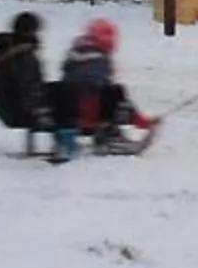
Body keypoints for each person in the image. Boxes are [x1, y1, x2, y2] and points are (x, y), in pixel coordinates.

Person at [49, 16, 155, 162]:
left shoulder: (73, 55)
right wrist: (141, 121)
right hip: (90, 114)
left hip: (66, 113)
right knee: (115, 92)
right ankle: (109, 134)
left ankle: (65, 140)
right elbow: (102, 91)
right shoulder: (100, 60)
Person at [0, 10, 53, 155]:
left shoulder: (4, 50)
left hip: (1, 105)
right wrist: (41, 113)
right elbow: (29, 87)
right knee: (62, 94)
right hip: (16, 110)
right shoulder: (23, 56)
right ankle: (65, 142)